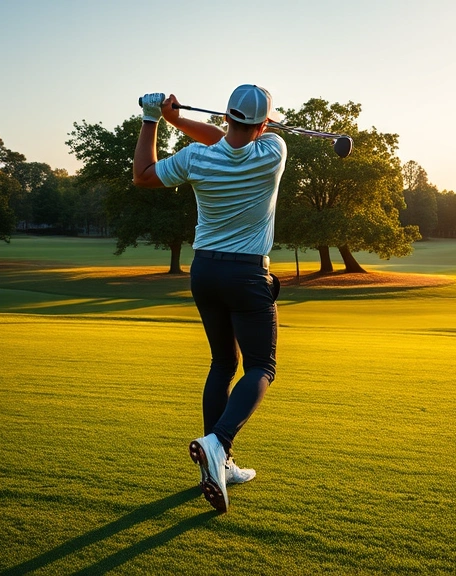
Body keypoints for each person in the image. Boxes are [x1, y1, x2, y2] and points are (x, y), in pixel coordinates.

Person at [132, 85, 287, 513]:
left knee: (222, 363)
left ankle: (222, 462)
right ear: (264, 124)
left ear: (226, 115)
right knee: (261, 366)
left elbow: (143, 174)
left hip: (205, 271)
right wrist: (179, 120)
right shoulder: (274, 149)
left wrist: (155, 119)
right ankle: (219, 443)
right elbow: (236, 137)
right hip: (247, 274)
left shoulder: (197, 158)